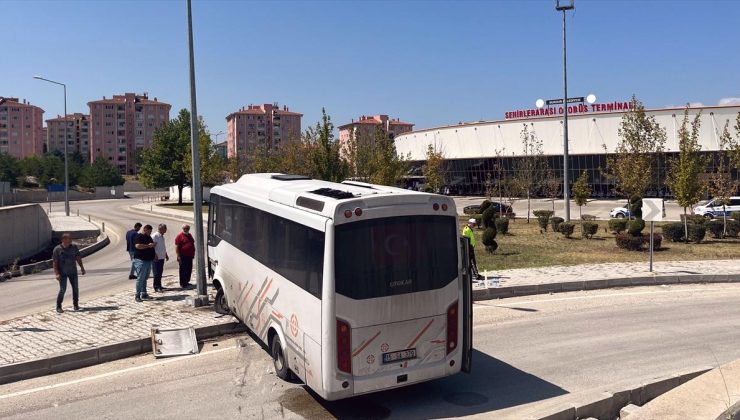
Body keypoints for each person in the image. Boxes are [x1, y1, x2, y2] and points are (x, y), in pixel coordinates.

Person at [53, 233, 86, 313]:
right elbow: (55, 262)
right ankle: (58, 306)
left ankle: (75, 304)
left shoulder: (74, 247)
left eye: (71, 239)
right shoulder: (57, 249)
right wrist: (57, 273)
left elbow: (78, 257)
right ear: (63, 240)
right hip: (62, 273)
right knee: (62, 289)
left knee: (75, 288)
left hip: (73, 272)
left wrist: (82, 268)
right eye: (69, 239)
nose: (71, 240)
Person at [133, 224, 156, 302]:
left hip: (148, 260)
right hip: (140, 260)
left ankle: (144, 293)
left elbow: (151, 246)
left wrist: (154, 252)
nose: (150, 233)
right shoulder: (139, 236)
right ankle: (137, 295)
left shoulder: (148, 237)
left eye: (151, 232)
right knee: (140, 278)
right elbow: (138, 246)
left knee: (145, 278)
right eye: (149, 231)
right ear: (145, 229)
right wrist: (148, 246)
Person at [174, 224, 195, 289]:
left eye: (187, 228)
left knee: (189, 269)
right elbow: (177, 247)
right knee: (183, 270)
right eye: (185, 228)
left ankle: (186, 281)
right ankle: (183, 283)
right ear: (183, 229)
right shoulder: (179, 236)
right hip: (183, 256)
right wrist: (178, 256)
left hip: (190, 256)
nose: (186, 230)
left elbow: (192, 243)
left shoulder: (190, 235)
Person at [151, 223, 169, 293]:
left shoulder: (162, 236)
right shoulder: (155, 236)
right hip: (156, 258)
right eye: (165, 228)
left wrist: (166, 254)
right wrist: (154, 255)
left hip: (162, 257)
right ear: (161, 229)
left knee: (160, 272)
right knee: (156, 273)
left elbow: (162, 247)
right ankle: (156, 287)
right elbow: (152, 247)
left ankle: (159, 285)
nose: (166, 230)